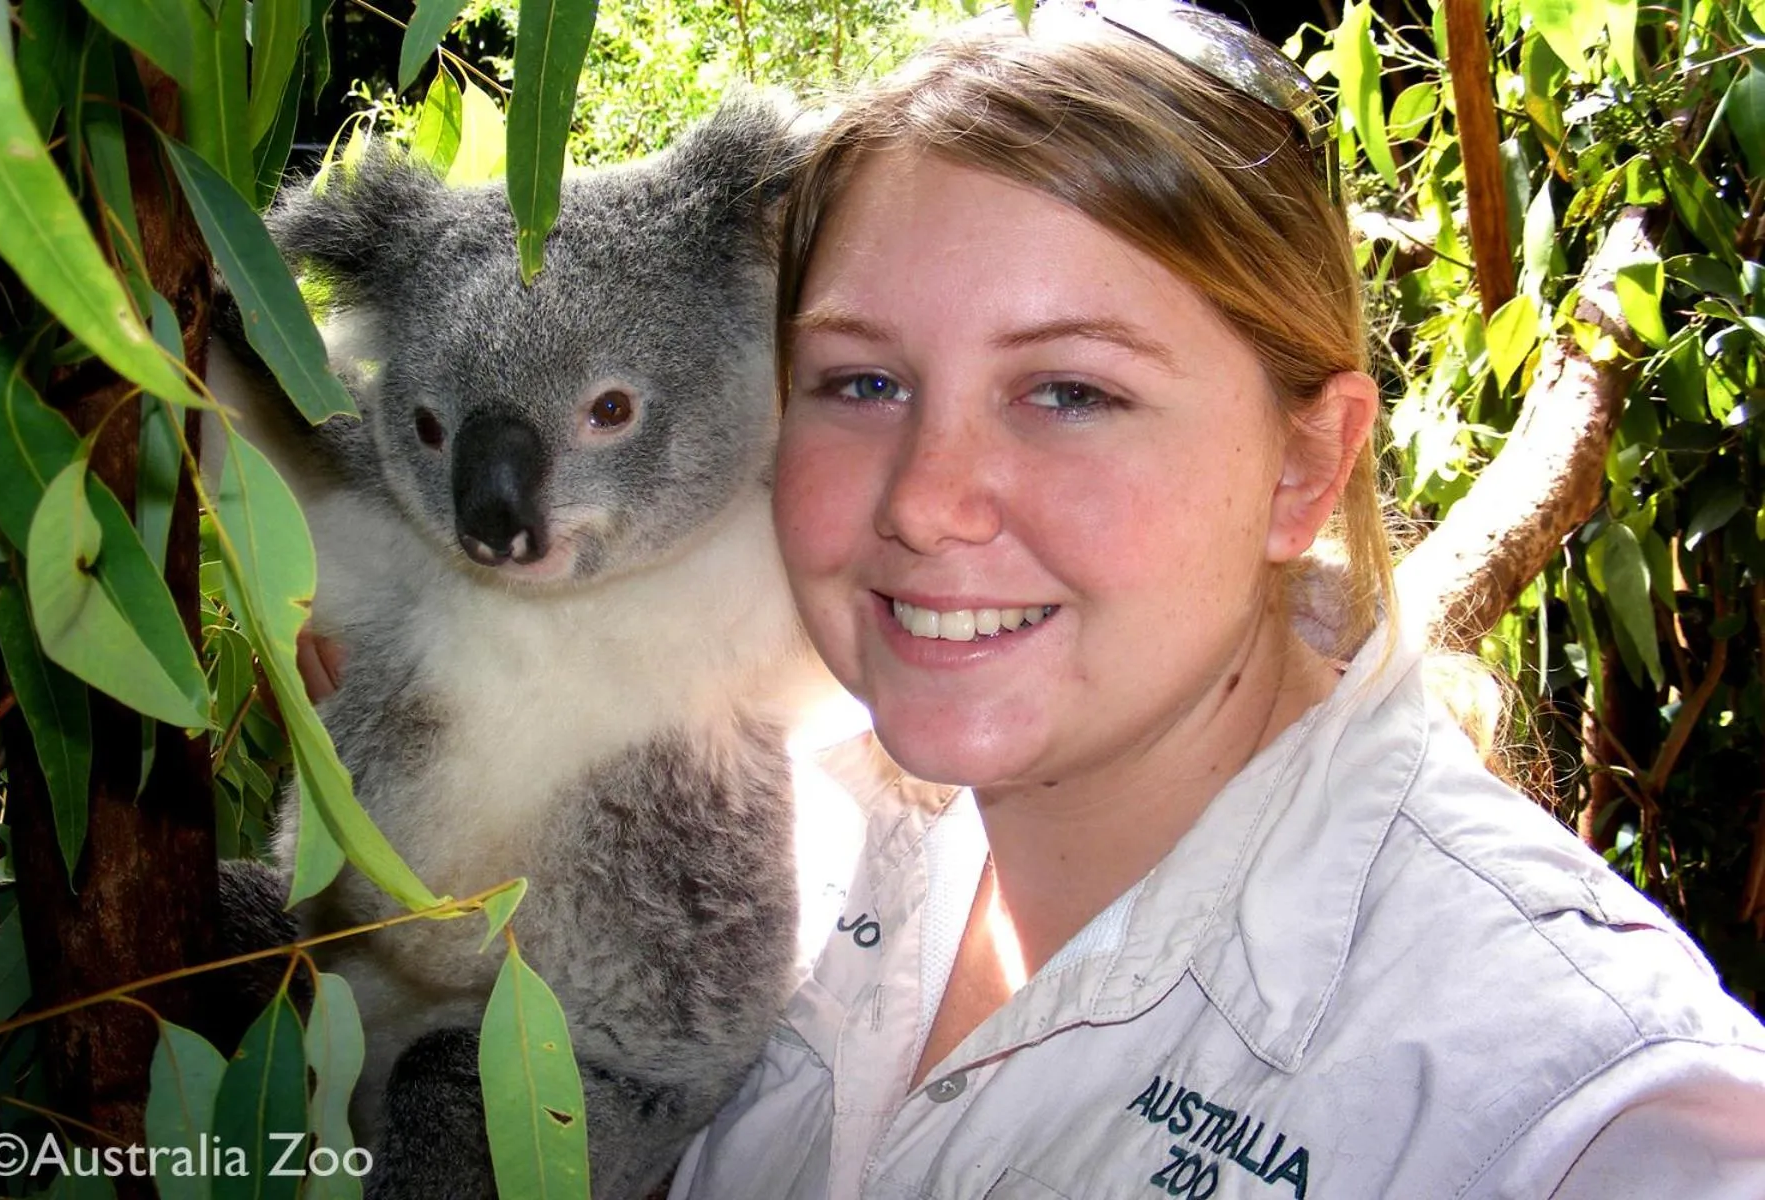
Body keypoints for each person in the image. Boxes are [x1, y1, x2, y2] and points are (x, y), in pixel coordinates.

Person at [664, 2, 1765, 1197]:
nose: (926, 502)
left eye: (1071, 392)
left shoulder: (1575, 1109)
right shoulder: (777, 843)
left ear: (1303, 469)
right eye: (862, 381)